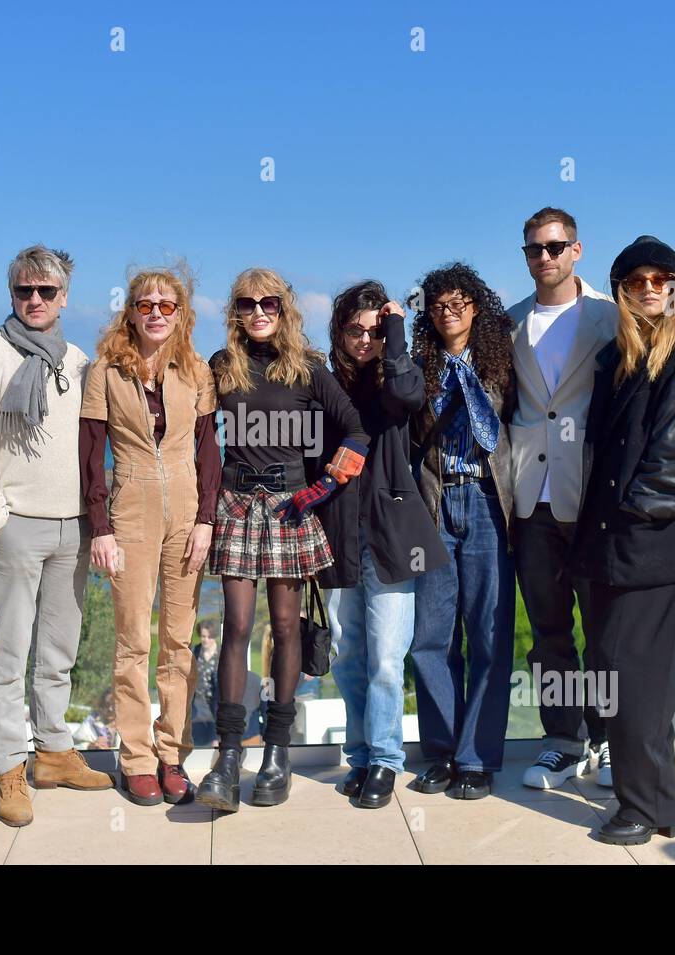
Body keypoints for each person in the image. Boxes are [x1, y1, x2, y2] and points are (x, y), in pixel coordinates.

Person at [570, 235, 675, 845]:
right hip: (610, 543)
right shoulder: (617, 358)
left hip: (650, 546)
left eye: (663, 281)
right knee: (618, 671)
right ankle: (653, 803)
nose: (652, 289)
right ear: (621, 293)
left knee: (636, 679)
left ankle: (641, 807)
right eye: (639, 281)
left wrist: (630, 514)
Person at [195, 267, 369, 812]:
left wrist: (322, 488)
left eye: (269, 302)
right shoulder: (221, 368)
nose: (259, 311)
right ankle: (227, 756)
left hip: (292, 508)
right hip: (238, 506)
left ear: (285, 309)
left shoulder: (309, 370)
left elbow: (356, 429)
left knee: (288, 626)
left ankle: (277, 751)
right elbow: (194, 433)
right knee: (238, 627)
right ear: (236, 312)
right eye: (247, 304)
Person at [0, 245, 112, 828]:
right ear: (12, 293)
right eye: (26, 291)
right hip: (15, 524)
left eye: (47, 291)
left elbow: (93, 445)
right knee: (7, 656)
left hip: (73, 526)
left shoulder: (76, 361)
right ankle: (9, 769)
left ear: (64, 296)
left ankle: (53, 751)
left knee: (58, 652)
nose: (36, 300)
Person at [79, 265, 220, 806]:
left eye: (167, 306)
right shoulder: (105, 372)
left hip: (187, 508)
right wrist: (101, 528)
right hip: (131, 507)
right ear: (130, 311)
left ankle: (172, 755)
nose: (156, 314)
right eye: (146, 305)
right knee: (133, 640)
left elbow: (210, 451)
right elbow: (91, 456)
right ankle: (135, 757)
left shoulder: (196, 370)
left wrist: (206, 519)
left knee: (178, 642)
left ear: (181, 314)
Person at [315, 280, 449, 809]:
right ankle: (360, 755)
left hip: (393, 538)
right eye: (356, 329)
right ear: (340, 331)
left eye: (375, 330)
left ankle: (387, 760)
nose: (365, 339)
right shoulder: (325, 384)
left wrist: (398, 330)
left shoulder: (398, 379)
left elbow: (410, 395)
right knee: (349, 655)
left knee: (388, 659)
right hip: (339, 535)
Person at [506, 207, 619, 790]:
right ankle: (561, 741)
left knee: (603, 629)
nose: (544, 257)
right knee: (550, 632)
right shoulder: (508, 322)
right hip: (531, 501)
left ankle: (606, 740)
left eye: (555, 246)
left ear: (577, 249)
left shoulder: (610, 316)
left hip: (592, 497)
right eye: (533, 249)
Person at [408, 262, 517, 800]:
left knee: (489, 637)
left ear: (476, 306)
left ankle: (477, 758)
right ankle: (443, 752)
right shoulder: (419, 367)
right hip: (435, 502)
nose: (448, 312)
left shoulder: (503, 361)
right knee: (429, 636)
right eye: (437, 304)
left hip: (488, 502)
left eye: (458, 302)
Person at [189, 623, 220, 746]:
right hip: (198, 703)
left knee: (215, 741)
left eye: (209, 636)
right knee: (197, 742)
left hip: (216, 703)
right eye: (203, 636)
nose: (206, 640)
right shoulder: (195, 651)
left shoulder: (222, 652)